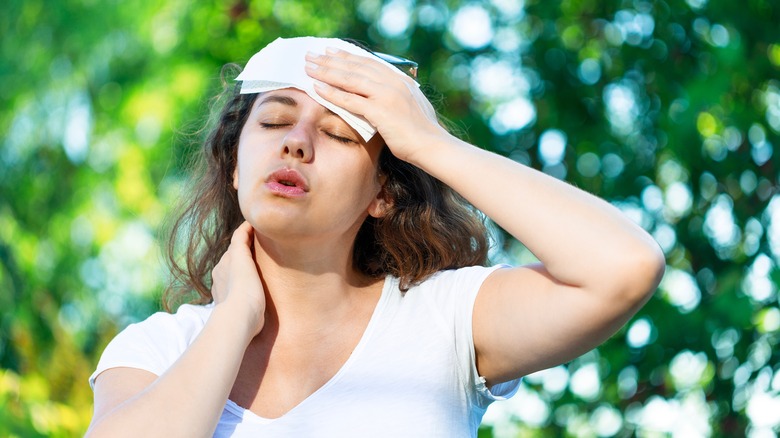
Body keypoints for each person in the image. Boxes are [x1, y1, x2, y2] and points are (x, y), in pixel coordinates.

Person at [86, 37, 665, 437]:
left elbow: (624, 268)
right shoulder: (156, 351)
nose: (297, 143)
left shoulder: (445, 319)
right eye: (274, 121)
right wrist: (233, 316)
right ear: (235, 166)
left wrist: (430, 143)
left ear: (382, 195)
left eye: (338, 135)